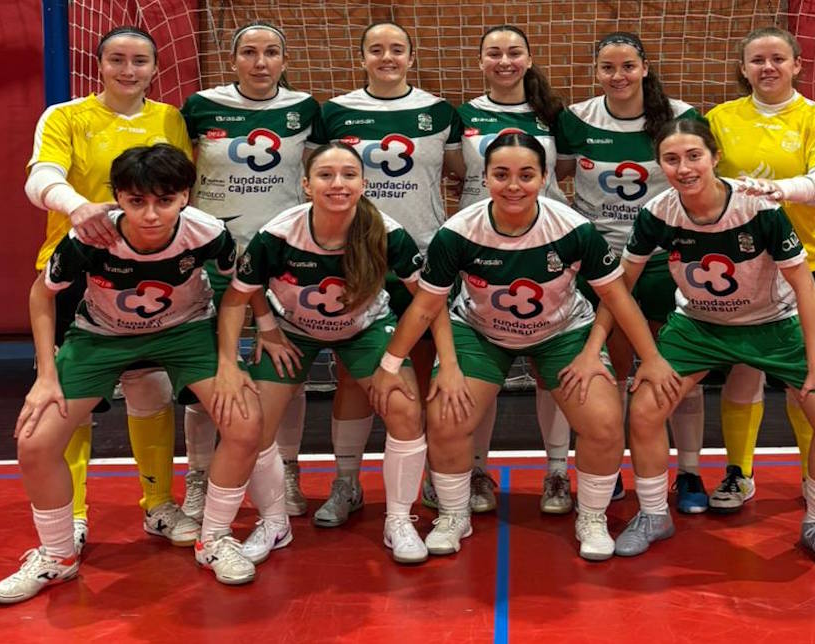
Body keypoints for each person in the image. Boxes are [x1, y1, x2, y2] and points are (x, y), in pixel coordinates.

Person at [370, 132, 682, 561]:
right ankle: (454, 514)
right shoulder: (457, 232)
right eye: (501, 175)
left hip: (562, 332)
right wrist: (393, 364)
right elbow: (426, 306)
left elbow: (617, 297)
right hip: (480, 332)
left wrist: (651, 358)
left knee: (605, 421)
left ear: (544, 177)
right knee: (445, 415)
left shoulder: (572, 228)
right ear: (485, 177)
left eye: (526, 175)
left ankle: (592, 517)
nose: (513, 185)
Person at [0, 144, 265, 604]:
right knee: (35, 441)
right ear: (118, 197)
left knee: (245, 422)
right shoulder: (89, 238)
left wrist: (228, 360)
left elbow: (235, 287)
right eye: (137, 201)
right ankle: (57, 556)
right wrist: (46, 376)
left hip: (185, 330)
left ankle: (215, 539)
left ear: (185, 197)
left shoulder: (207, 232)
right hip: (101, 335)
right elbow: (42, 294)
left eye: (165, 201)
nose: (151, 215)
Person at [614, 119, 815, 571]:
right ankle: (653, 515)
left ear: (715, 157)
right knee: (644, 409)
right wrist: (645, 356)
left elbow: (804, 285)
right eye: (671, 159)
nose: (684, 168)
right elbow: (620, 285)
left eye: (694, 156)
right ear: (660, 164)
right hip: (698, 327)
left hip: (772, 324)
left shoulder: (757, 208)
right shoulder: (657, 213)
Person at [215, 142, 439, 565]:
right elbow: (237, 296)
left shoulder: (386, 232)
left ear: (363, 184)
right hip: (293, 331)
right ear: (306, 185)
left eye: (349, 175)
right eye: (326, 175)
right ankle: (273, 521)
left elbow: (429, 300)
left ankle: (398, 520)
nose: (338, 183)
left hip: (364, 329)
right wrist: (250, 343)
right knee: (253, 421)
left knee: (405, 409)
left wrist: (413, 361)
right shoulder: (279, 233)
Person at [22, 25, 198, 555]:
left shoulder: (169, 119)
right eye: (117, 59)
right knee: (73, 398)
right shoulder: (66, 116)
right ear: (98, 65)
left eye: (139, 61)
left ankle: (159, 504)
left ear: (155, 68)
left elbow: (180, 190)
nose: (128, 69)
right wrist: (77, 206)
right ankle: (73, 514)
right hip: (79, 270)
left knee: (150, 387)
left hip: (150, 271)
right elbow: (39, 178)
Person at [308, 21, 465, 527]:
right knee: (356, 375)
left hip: (423, 255)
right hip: (358, 258)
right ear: (362, 58)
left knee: (423, 370)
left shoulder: (439, 112)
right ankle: (346, 482)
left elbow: (460, 173)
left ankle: (433, 478)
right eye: (376, 49)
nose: (387, 57)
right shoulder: (334, 111)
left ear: (411, 58)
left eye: (397, 49)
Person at [554, 32, 708, 512]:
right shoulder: (576, 119)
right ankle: (610, 467)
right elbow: (555, 178)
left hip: (665, 260)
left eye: (627, 66)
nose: (617, 76)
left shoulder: (680, 116)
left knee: (675, 372)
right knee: (610, 373)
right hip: (600, 264)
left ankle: (689, 473)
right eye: (607, 67)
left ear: (644, 67)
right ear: (596, 71)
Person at [702, 27, 815, 519]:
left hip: (811, 262)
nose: (768, 67)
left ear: (797, 64)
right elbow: (701, 179)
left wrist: (781, 191)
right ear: (743, 68)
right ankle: (739, 472)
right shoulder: (719, 119)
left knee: (804, 374)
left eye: (778, 59)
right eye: (757, 60)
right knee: (742, 369)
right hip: (743, 264)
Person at [179, 21, 323, 522]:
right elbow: (180, 176)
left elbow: (313, 178)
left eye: (271, 53)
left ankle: (287, 469)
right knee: (205, 374)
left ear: (284, 60)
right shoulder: (200, 106)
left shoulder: (305, 109)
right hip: (213, 256)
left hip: (281, 259)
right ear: (233, 59)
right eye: (249, 52)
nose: (260, 62)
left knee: (285, 370)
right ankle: (198, 474)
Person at [445, 24, 573, 516]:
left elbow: (561, 172)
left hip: (543, 245)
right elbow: (459, 171)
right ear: (480, 61)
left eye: (514, 52)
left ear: (528, 58)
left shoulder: (554, 115)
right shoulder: (462, 115)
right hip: (479, 248)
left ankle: (557, 473)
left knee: (549, 371)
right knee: (482, 369)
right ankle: (476, 471)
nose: (504, 61)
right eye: (494, 53)